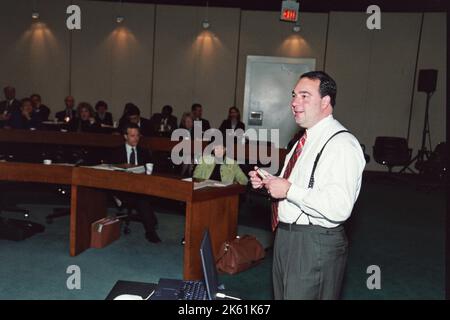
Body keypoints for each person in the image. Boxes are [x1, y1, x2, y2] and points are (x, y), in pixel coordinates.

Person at [249, 71, 366, 300]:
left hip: (314, 244)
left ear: (325, 101)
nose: (294, 103)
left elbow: (340, 207)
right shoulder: (304, 140)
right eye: (294, 96)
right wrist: (269, 183)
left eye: (304, 96)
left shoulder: (342, 144)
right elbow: (294, 184)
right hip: (287, 238)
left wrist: (289, 190)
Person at [110, 123, 161, 243]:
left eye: (137, 135)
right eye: (132, 135)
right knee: (142, 200)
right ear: (125, 136)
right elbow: (110, 174)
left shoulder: (144, 152)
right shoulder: (116, 152)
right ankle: (151, 230)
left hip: (141, 186)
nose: (136, 138)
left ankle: (150, 229)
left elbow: (152, 170)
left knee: (142, 196)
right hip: (122, 187)